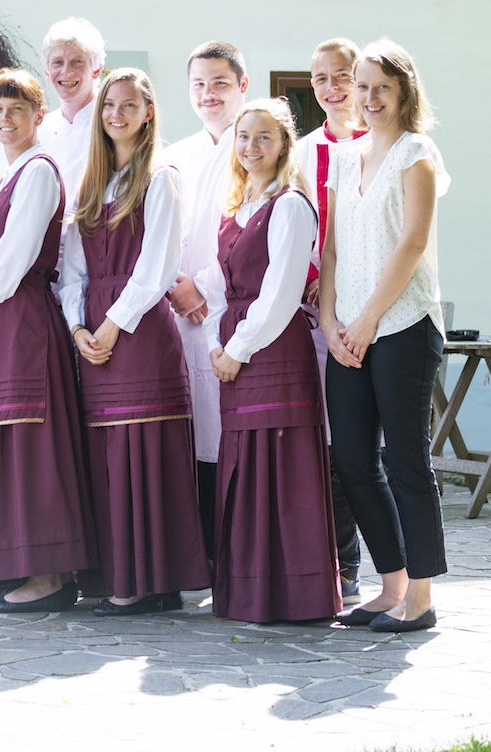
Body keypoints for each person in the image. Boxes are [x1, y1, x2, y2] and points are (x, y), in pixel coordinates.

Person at [61, 68, 209, 616]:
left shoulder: (161, 178)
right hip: (94, 332)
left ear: (148, 113)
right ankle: (120, 576)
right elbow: (71, 270)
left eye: (128, 105)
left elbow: (158, 267)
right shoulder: (91, 185)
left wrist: (112, 323)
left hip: (140, 330)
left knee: (143, 451)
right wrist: (77, 327)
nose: (116, 115)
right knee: (108, 455)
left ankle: (148, 582)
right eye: (108, 105)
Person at [0, 69, 96, 613]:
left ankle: (48, 577)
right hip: (0, 320)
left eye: (17, 109)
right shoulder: (8, 175)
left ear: (39, 117)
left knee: (32, 445)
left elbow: (14, 257)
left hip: (24, 321)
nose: (6, 119)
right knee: (11, 442)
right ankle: (35, 570)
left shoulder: (38, 171)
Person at [322, 39, 449, 633]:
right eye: (363, 86)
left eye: (382, 88)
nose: (370, 98)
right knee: (351, 458)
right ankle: (390, 585)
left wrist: (370, 317)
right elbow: (331, 249)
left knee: (405, 462)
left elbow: (413, 241)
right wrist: (330, 322)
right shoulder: (344, 158)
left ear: (404, 92)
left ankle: (420, 597)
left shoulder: (416, 152)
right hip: (347, 331)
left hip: (403, 326)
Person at [202, 99, 341, 624]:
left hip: (272, 348)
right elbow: (217, 287)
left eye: (264, 137)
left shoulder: (290, 205)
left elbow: (281, 293)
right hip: (235, 349)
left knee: (280, 468)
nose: (251, 147)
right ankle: (249, 594)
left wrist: (236, 349)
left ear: (284, 144)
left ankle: (294, 597)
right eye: (244, 137)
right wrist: (215, 345)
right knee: (246, 467)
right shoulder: (235, 207)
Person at [162, 41, 250, 559]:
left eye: (219, 82)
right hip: (176, 310)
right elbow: (159, 231)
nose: (208, 93)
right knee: (190, 431)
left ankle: (232, 554)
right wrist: (174, 283)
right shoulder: (174, 155)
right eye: (198, 84)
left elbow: (248, 233)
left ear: (242, 85)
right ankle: (199, 554)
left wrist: (202, 286)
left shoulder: (254, 147)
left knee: (226, 433)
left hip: (228, 311)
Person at [293, 38, 368, 604]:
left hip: (373, 312)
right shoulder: (302, 152)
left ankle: (380, 565)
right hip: (315, 314)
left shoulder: (385, 144)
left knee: (363, 448)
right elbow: (295, 226)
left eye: (341, 75)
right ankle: (337, 563)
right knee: (324, 444)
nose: (331, 87)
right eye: (320, 78)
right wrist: (313, 280)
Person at [36, 18, 106, 208]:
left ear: (97, 69)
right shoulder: (40, 128)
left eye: (77, 62)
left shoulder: (111, 124)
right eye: (57, 62)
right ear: (47, 72)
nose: (66, 72)